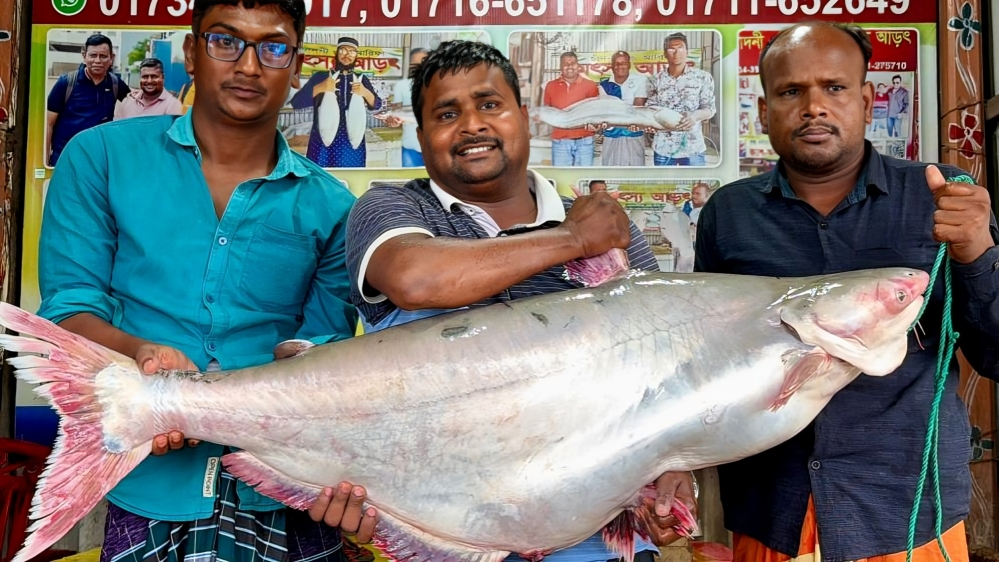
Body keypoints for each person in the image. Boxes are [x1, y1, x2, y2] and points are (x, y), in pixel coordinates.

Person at [36, 2, 379, 562]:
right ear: (192, 53)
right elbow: (69, 310)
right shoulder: (100, 158)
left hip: (286, 489)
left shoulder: (333, 206)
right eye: (226, 41)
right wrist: (140, 360)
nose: (248, 65)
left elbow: (324, 353)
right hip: (148, 484)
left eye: (272, 47)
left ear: (295, 68)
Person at [344, 39, 697, 562]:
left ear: (525, 118)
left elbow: (664, 369)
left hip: (596, 540)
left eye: (489, 105)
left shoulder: (607, 226)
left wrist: (672, 471)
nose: (471, 125)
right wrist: (572, 242)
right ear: (421, 137)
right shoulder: (392, 206)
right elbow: (414, 279)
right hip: (443, 537)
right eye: (447, 113)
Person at [693, 21, 998, 562]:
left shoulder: (941, 196)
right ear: (764, 111)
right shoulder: (729, 214)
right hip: (771, 511)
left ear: (866, 100)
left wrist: (978, 252)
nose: (814, 107)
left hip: (905, 515)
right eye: (791, 92)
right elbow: (704, 360)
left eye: (834, 88)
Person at [290, 36, 383, 167]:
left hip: (351, 145)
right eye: (343, 50)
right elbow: (297, 103)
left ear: (356, 56)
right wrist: (320, 87)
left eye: (352, 52)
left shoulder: (361, 79)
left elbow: (377, 105)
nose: (347, 55)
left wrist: (365, 92)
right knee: (320, 182)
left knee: (348, 182)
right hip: (321, 144)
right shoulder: (320, 77)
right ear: (336, 53)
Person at [46, 33, 131, 166]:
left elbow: (136, 105)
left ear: (111, 58)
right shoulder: (66, 83)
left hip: (98, 160)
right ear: (84, 56)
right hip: (65, 158)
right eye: (93, 55)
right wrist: (46, 160)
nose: (97, 61)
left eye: (103, 56)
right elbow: (48, 124)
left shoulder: (115, 84)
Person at [646, 33, 716, 166]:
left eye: (681, 47)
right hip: (663, 148)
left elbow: (710, 109)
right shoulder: (655, 80)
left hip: (693, 148)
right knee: (664, 187)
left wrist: (695, 116)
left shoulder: (702, 78)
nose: (676, 52)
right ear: (665, 53)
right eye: (671, 48)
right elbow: (651, 110)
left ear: (687, 51)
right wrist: (650, 125)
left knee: (695, 186)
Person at [542, 51, 599, 166]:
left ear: (578, 66)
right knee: (562, 179)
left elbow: (595, 113)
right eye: (565, 64)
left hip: (585, 141)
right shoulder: (550, 86)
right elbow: (547, 111)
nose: (569, 66)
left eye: (572, 63)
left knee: (584, 179)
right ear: (560, 67)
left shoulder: (590, 85)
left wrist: (595, 124)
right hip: (560, 142)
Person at [598, 51, 649, 167]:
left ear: (629, 65)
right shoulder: (604, 85)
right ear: (612, 66)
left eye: (623, 63)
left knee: (634, 173)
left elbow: (637, 109)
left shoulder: (640, 80)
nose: (620, 66)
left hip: (633, 134)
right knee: (610, 173)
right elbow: (605, 111)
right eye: (616, 63)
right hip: (611, 135)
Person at [384, 47, 428, 167]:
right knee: (411, 184)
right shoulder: (402, 85)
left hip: (436, 148)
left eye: (423, 63)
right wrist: (392, 122)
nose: (419, 68)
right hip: (410, 148)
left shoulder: (440, 85)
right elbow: (396, 113)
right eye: (414, 64)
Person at [114, 58, 184, 119]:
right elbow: (118, 130)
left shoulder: (173, 106)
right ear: (140, 78)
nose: (149, 81)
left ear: (163, 77)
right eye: (145, 77)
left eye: (154, 77)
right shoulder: (128, 102)